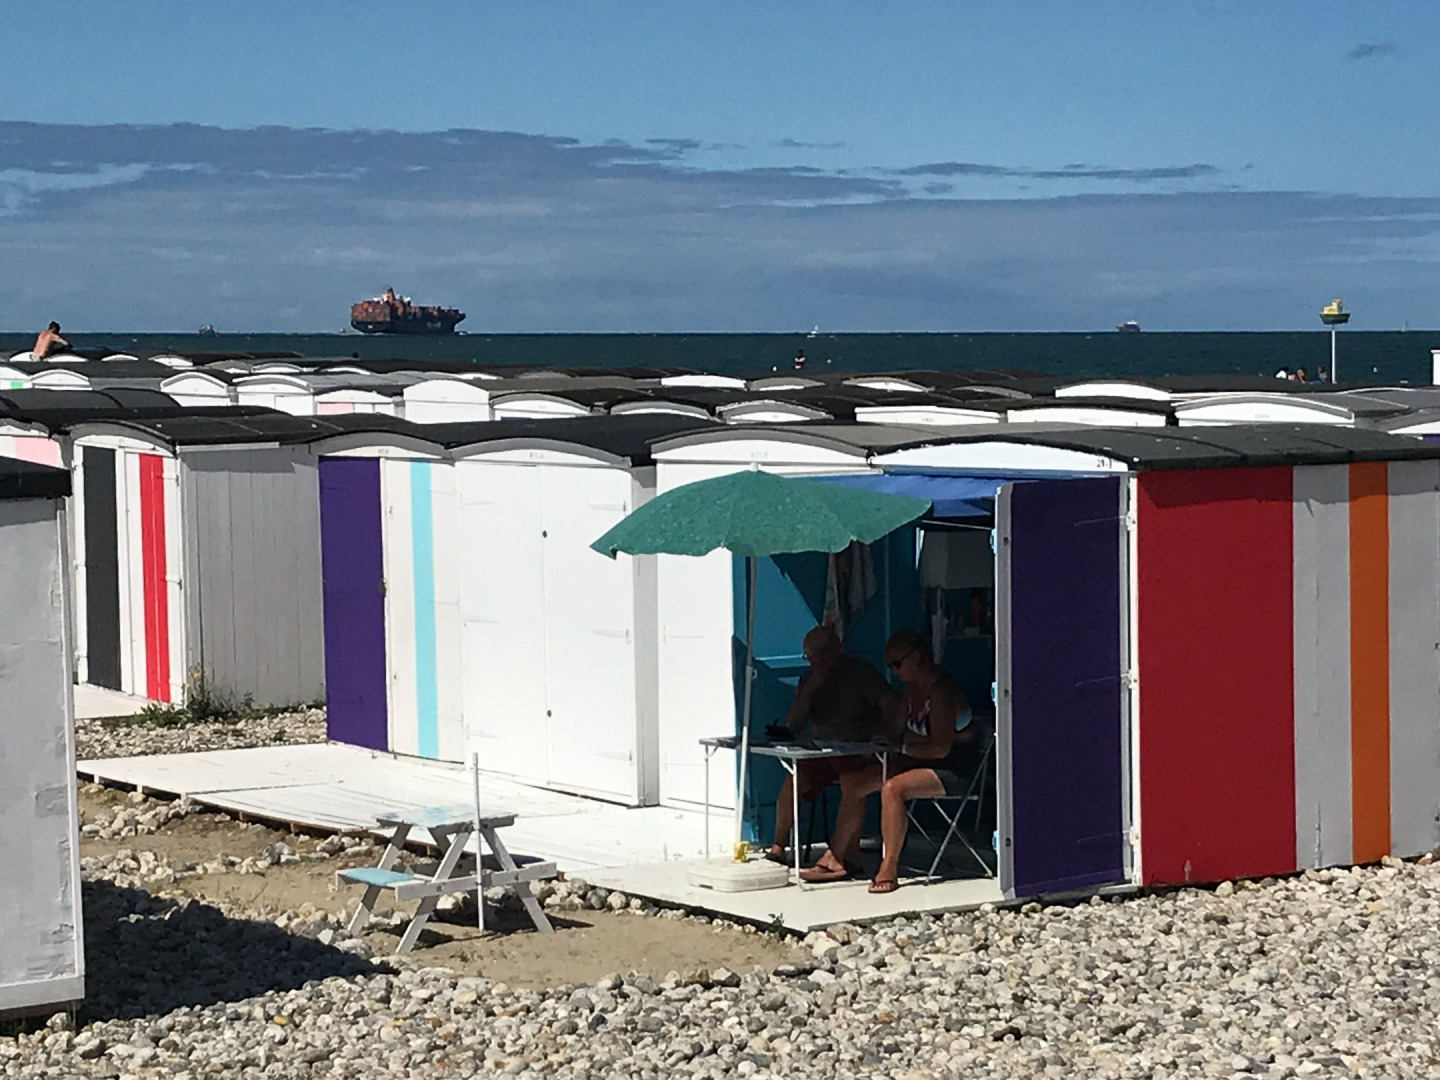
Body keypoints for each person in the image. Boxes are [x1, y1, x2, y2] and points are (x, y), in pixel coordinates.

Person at [801, 629, 974, 889]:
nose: (893, 671)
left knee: (892, 789)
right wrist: (881, 738)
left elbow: (940, 748)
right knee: (853, 782)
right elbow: (895, 729)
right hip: (918, 761)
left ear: (916, 657)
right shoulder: (912, 690)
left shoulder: (940, 691)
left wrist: (901, 747)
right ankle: (841, 857)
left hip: (953, 768)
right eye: (889, 665)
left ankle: (888, 867)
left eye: (897, 663)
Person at [765, 625, 894, 869]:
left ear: (837, 648)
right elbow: (793, 723)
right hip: (822, 751)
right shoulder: (808, 679)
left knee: (853, 783)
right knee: (793, 781)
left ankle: (846, 854)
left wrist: (882, 733)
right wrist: (810, 690)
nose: (817, 661)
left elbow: (890, 703)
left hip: (857, 749)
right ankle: (779, 846)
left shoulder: (861, 673)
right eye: (810, 656)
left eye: (821, 653)